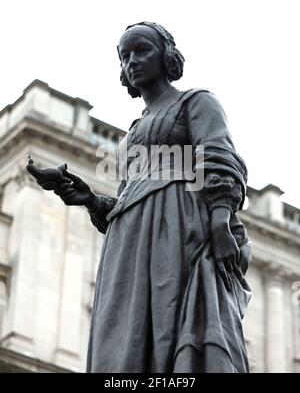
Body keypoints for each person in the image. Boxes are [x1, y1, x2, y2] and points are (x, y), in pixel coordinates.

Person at [27, 21, 252, 373]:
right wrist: (89, 198)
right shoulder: (132, 132)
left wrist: (221, 220)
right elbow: (127, 195)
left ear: (166, 56)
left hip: (178, 224)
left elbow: (219, 157)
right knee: (125, 332)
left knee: (171, 318)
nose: (132, 61)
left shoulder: (196, 102)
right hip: (128, 239)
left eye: (142, 51)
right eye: (125, 56)